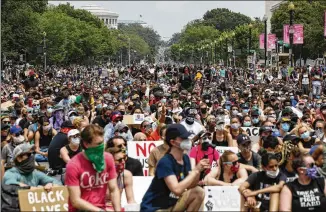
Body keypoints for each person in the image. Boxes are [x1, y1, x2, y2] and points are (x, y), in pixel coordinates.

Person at [141, 124, 209, 212]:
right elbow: (176, 189)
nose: (187, 141)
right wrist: (195, 170)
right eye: (183, 138)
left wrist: (200, 171)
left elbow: (191, 185)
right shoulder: (165, 162)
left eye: (187, 138)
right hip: (155, 208)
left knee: (198, 192)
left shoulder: (185, 158)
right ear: (173, 142)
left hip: (172, 204)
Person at [65, 124, 121, 212]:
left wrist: (118, 210)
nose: (102, 146)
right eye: (98, 144)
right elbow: (75, 201)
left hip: (101, 207)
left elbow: (113, 189)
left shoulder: (108, 158)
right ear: (86, 144)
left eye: (102, 142)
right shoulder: (73, 165)